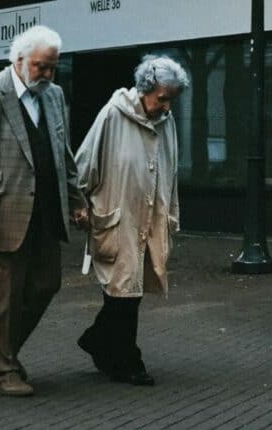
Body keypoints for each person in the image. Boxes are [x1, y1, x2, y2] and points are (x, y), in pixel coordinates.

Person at [0, 25, 88, 397]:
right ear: (19, 60)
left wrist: (76, 201)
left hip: (46, 211)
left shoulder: (55, 95)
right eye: (41, 67)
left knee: (47, 284)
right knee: (5, 295)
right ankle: (4, 370)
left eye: (53, 68)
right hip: (1, 212)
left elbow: (63, 153)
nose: (47, 75)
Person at [74, 55, 188, 386]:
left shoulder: (167, 122)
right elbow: (85, 160)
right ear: (145, 89)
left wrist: (172, 213)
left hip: (150, 216)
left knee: (131, 289)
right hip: (118, 213)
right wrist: (79, 202)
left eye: (171, 100)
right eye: (162, 98)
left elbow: (172, 170)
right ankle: (127, 360)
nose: (166, 107)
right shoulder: (113, 114)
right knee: (123, 288)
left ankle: (99, 343)